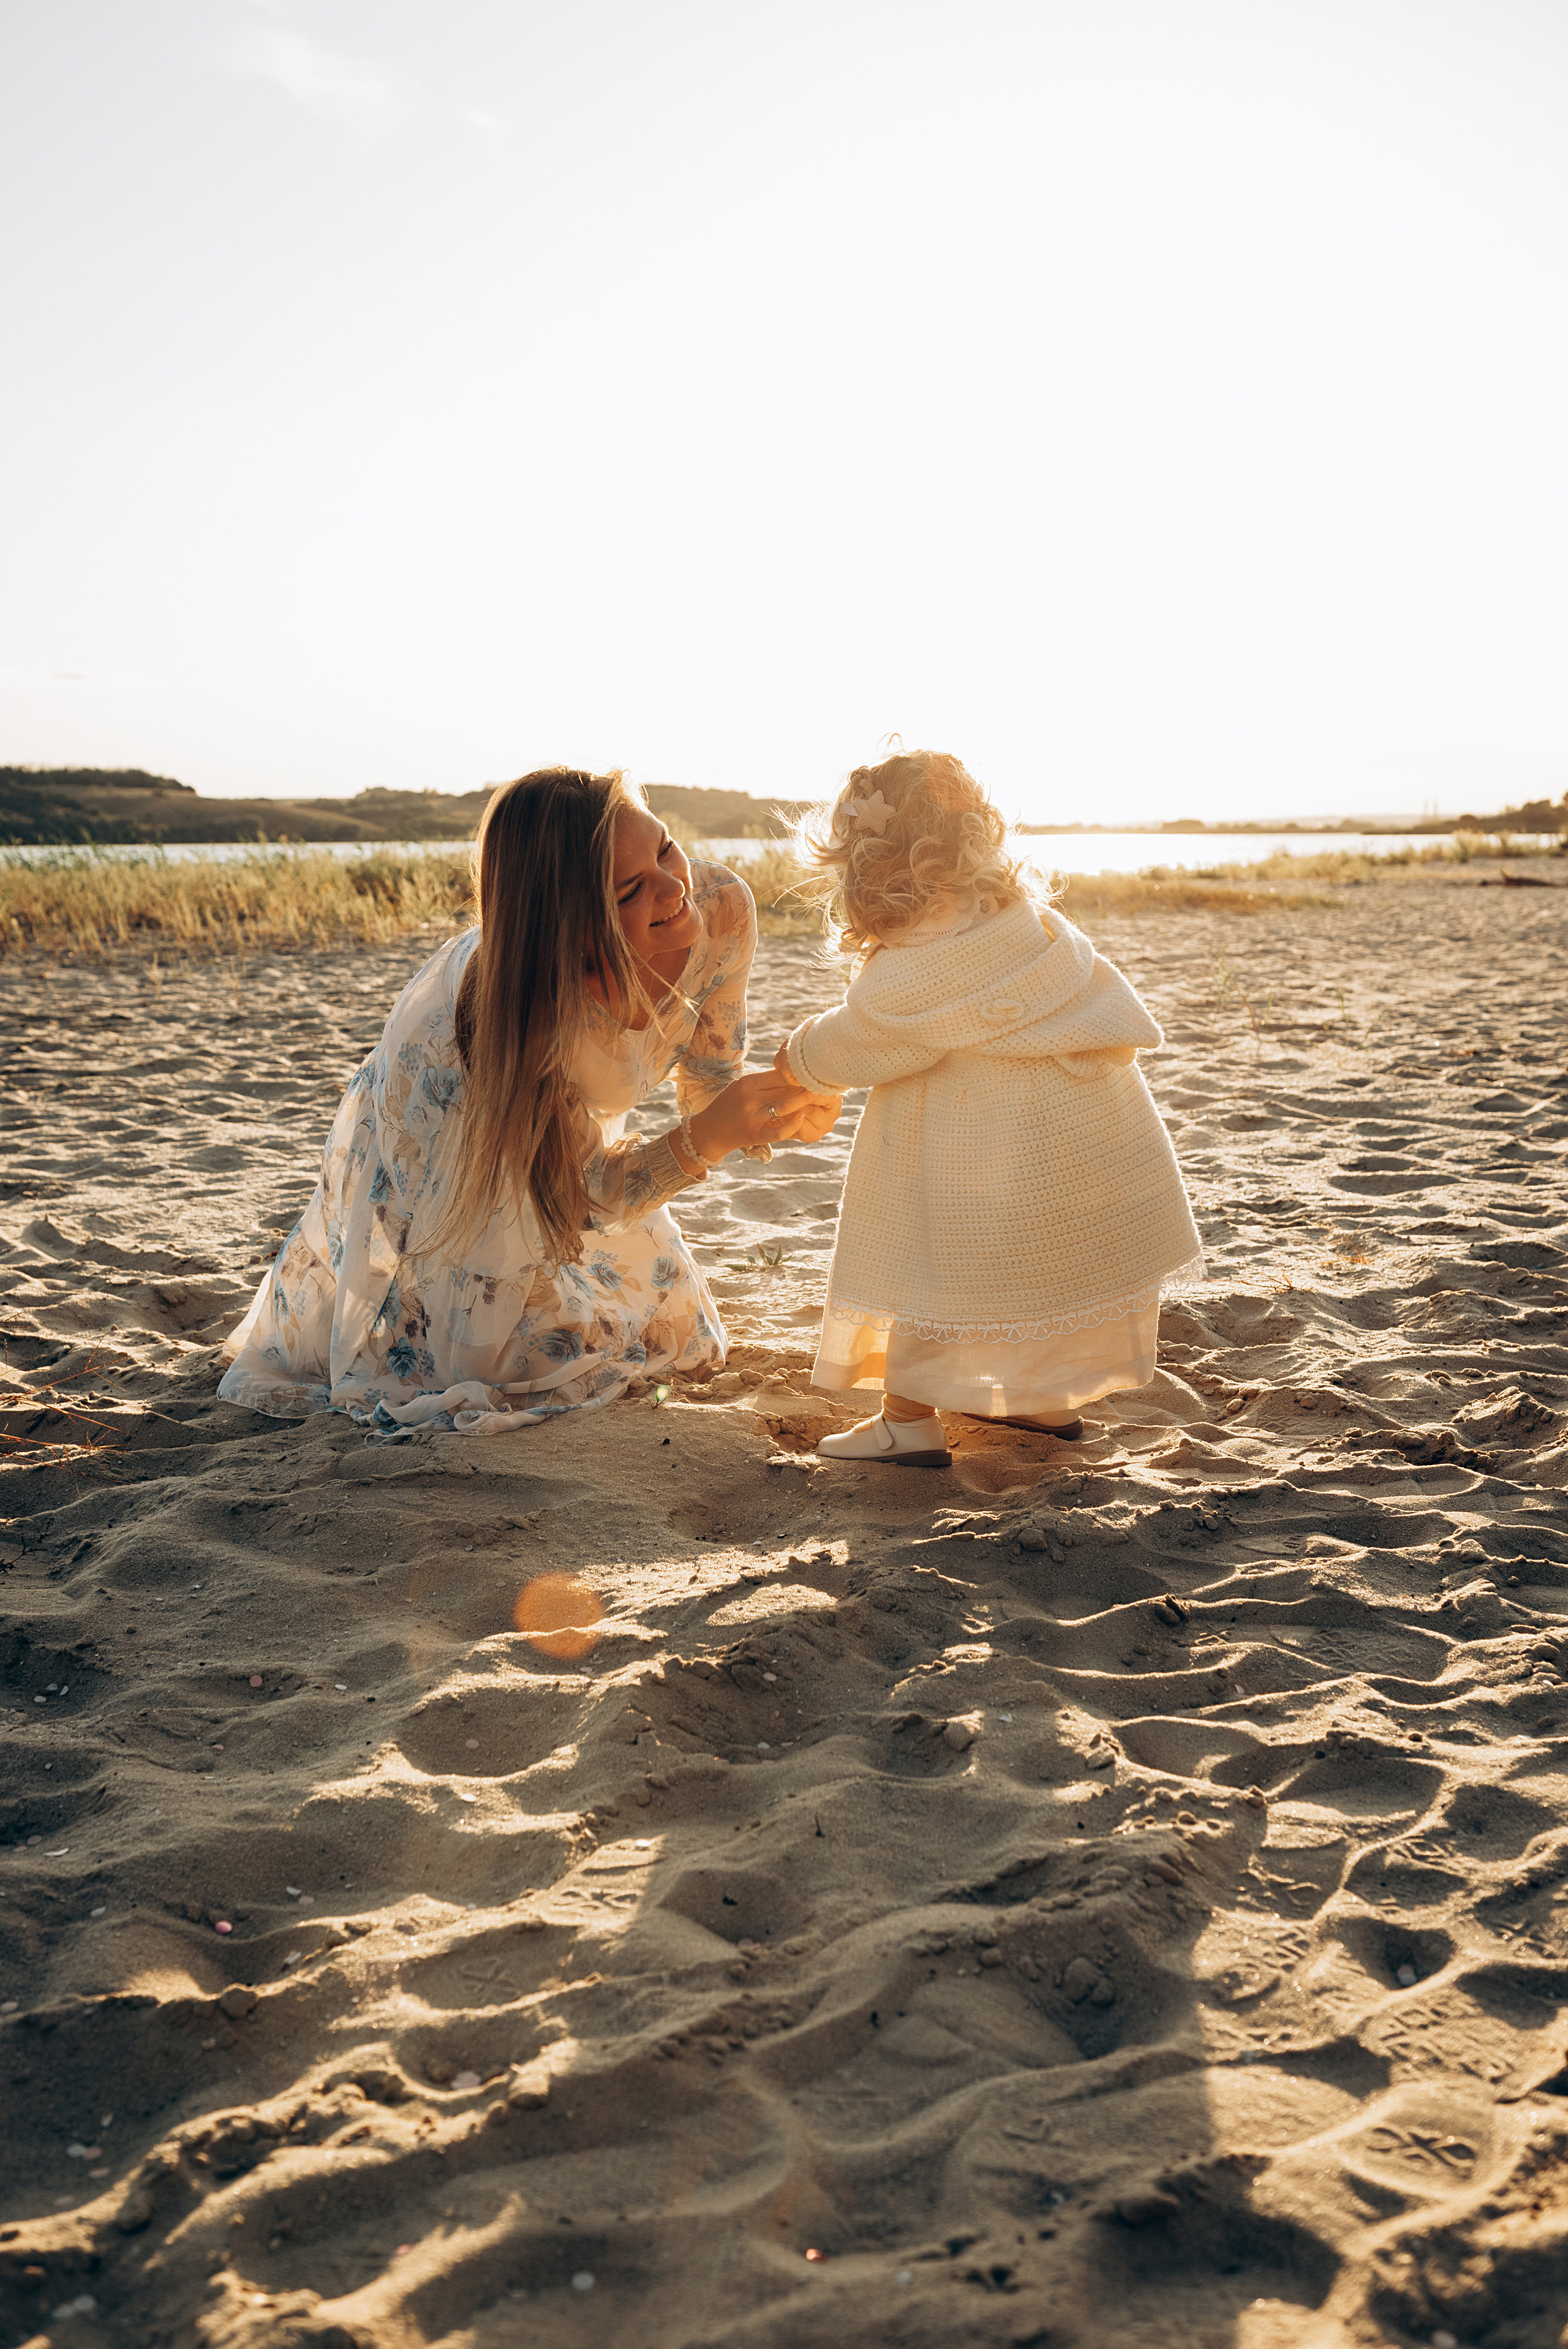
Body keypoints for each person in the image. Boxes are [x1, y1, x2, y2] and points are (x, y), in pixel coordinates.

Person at [219, 767, 839, 1436]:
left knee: (667, 1326)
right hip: (462, 1116)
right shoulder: (521, 1017)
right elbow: (575, 1197)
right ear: (571, 928)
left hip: (556, 1142)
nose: (672, 886)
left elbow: (712, 1079)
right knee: (489, 1362)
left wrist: (773, 1110)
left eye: (664, 847)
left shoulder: (720, 909)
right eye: (630, 890)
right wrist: (706, 1141)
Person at [775, 748, 1201, 1469]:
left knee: (928, 1265)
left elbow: (867, 1040)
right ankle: (1036, 1395)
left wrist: (800, 1056)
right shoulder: (1029, 928)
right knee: (1037, 1269)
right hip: (1076, 1144)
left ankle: (905, 1420)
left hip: (977, 1157)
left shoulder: (914, 963)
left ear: (866, 866)